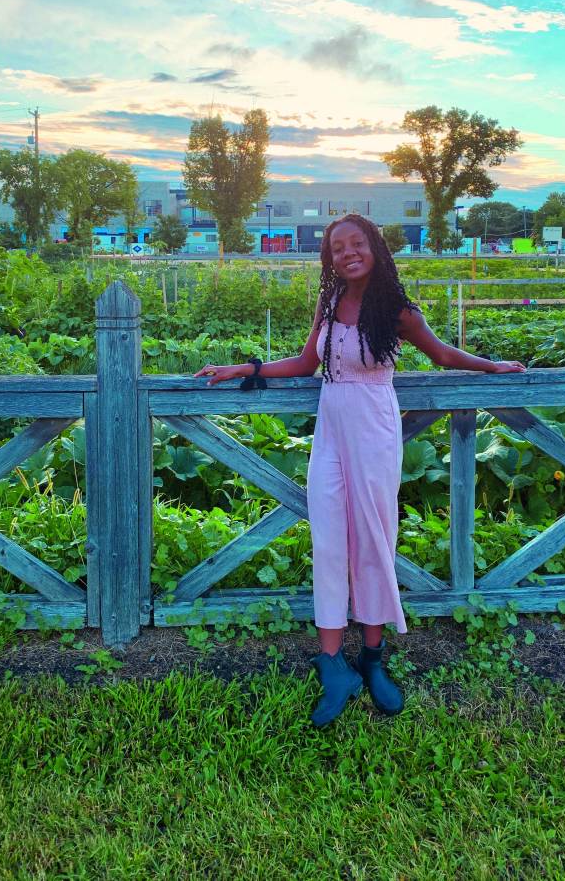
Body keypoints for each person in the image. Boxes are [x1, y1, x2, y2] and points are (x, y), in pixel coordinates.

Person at [194, 214, 525, 726]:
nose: (347, 252)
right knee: (328, 541)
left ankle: (371, 661)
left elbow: (440, 354)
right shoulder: (329, 303)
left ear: (375, 246)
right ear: (329, 258)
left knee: (373, 540)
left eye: (357, 243)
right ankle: (332, 665)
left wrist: (491, 365)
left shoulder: (397, 311)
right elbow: (307, 364)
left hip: (373, 430)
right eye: (336, 247)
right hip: (330, 430)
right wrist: (249, 367)